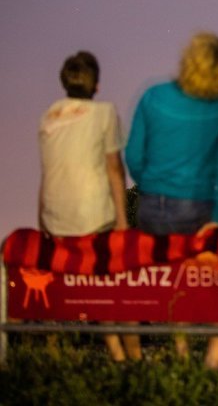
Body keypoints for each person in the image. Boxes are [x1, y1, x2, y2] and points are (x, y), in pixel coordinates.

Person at [125, 32, 218, 369]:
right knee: (213, 283)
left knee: (171, 280)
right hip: (199, 207)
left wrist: (151, 185)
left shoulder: (153, 95)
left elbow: (132, 155)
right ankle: (213, 361)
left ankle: (179, 351)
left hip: (152, 207)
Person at [38, 51, 140, 361]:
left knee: (90, 283)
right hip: (92, 216)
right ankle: (133, 356)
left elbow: (47, 172)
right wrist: (122, 219)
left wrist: (42, 220)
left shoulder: (48, 117)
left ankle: (113, 353)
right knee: (119, 287)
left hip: (55, 218)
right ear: (96, 85)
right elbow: (113, 167)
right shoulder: (105, 112)